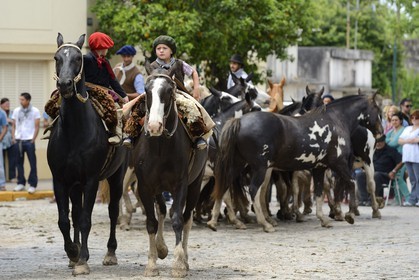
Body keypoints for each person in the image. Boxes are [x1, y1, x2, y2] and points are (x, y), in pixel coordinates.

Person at [147, 35, 215, 149]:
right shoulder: (152, 66)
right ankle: (131, 135)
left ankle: (198, 136)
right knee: (137, 108)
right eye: (158, 48)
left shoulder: (179, 63)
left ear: (171, 50)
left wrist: (196, 89)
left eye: (165, 48)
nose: (161, 51)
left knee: (192, 109)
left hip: (177, 94)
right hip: (157, 94)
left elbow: (194, 72)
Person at [84, 32, 129, 145]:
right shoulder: (85, 59)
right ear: (102, 47)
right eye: (107, 47)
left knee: (118, 108)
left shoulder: (105, 61)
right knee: (115, 109)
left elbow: (112, 80)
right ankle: (117, 133)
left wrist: (123, 95)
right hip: (88, 91)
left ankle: (117, 134)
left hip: (104, 91)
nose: (108, 49)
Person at [356, 134, 404, 206]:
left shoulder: (391, 150)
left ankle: (372, 199)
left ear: (384, 141)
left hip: (386, 174)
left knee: (376, 175)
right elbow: (365, 161)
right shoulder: (372, 151)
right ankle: (363, 199)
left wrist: (394, 171)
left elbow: (401, 161)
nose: (378, 144)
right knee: (360, 175)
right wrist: (364, 169)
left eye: (380, 142)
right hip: (372, 172)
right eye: (376, 142)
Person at [113, 45, 145, 147]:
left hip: (130, 105)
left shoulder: (137, 74)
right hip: (116, 102)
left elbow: (140, 93)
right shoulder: (117, 68)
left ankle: (129, 138)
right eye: (124, 56)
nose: (126, 59)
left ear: (132, 57)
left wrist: (124, 95)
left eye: (128, 56)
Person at [12, 92, 40, 194]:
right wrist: (13, 137)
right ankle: (20, 183)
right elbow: (14, 125)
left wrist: (33, 139)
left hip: (29, 141)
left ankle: (32, 184)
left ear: (28, 100)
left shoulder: (35, 111)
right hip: (18, 140)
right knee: (18, 163)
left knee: (32, 163)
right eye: (20, 99)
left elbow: (37, 126)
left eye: (22, 100)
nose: (20, 101)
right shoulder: (16, 111)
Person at [385, 112, 410, 203]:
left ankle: (409, 198)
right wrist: (389, 141)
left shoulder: (404, 130)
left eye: (396, 120)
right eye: (392, 120)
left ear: (400, 121)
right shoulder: (391, 132)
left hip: (403, 158)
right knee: (395, 179)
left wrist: (389, 141)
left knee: (399, 177)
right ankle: (398, 200)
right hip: (393, 158)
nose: (394, 122)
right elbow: (385, 141)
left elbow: (394, 143)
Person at [398, 110, 419, 206]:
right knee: (412, 179)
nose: (414, 120)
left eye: (417, 118)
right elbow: (400, 140)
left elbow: (416, 140)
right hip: (407, 156)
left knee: (418, 178)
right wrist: (409, 140)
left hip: (416, 156)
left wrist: (407, 140)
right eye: (412, 118)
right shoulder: (408, 128)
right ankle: (412, 199)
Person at [0, 98, 17, 183]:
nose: (7, 105)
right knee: (1, 161)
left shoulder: (12, 113)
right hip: (1, 140)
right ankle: (2, 179)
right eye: (6, 104)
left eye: (8, 104)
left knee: (12, 160)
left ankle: (12, 177)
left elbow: (15, 124)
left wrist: (14, 138)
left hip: (11, 139)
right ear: (1, 105)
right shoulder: (0, 114)